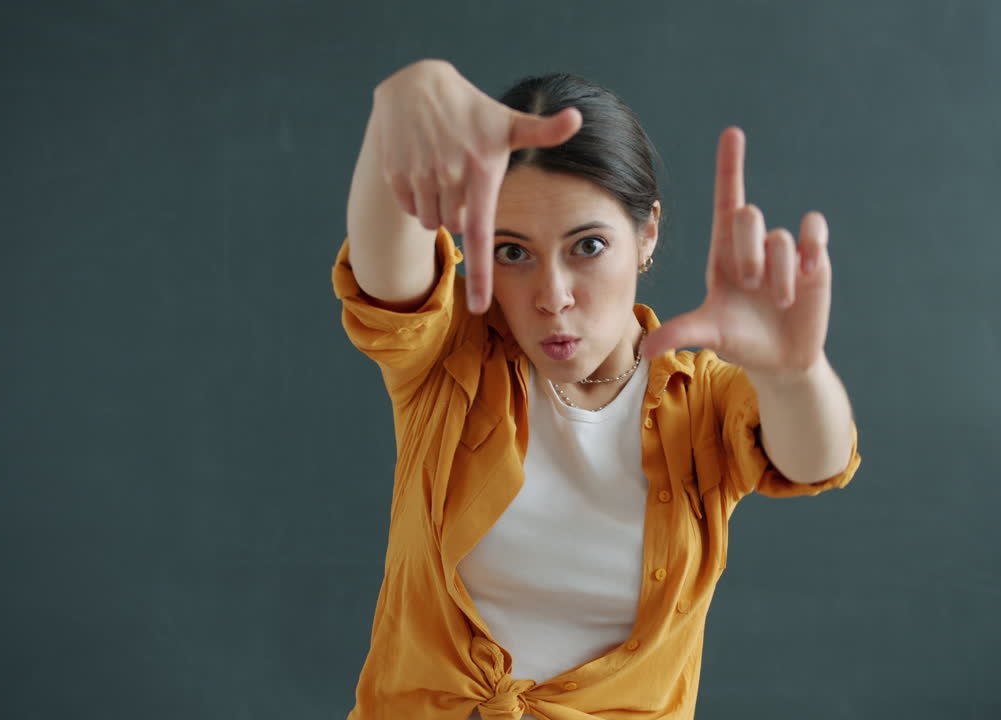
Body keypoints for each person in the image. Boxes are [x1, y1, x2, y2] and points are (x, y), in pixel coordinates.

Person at [332, 58, 862, 720]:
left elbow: (816, 458)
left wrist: (793, 374)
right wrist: (398, 114)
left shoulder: (697, 404)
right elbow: (386, 274)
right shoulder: (453, 360)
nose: (552, 297)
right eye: (513, 253)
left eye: (586, 246)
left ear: (647, 234)